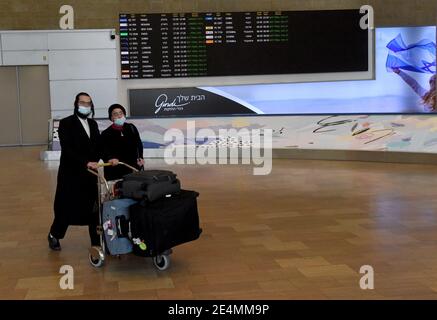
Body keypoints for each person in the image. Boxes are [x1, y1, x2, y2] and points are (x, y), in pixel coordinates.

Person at [48, 92, 101, 251]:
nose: (85, 106)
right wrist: (85, 162)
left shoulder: (93, 124)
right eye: (82, 103)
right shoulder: (65, 123)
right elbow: (68, 148)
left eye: (88, 103)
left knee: (93, 207)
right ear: (76, 104)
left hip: (90, 174)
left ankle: (96, 241)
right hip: (70, 174)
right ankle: (54, 235)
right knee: (65, 207)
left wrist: (99, 159)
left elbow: (98, 145)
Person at [100, 104, 145, 180]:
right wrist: (110, 158)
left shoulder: (131, 128)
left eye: (121, 113)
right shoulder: (106, 133)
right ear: (111, 118)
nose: (119, 116)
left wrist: (140, 157)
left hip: (132, 167)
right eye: (115, 114)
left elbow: (138, 144)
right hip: (115, 169)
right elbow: (102, 150)